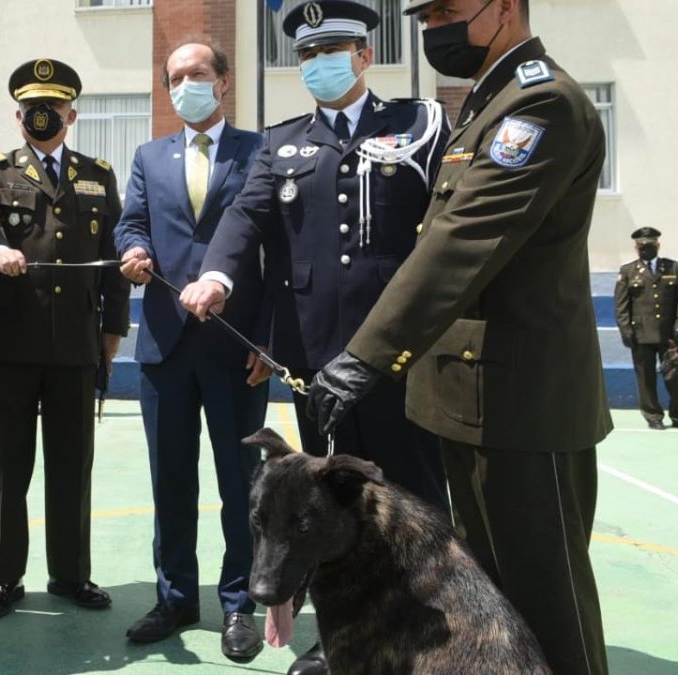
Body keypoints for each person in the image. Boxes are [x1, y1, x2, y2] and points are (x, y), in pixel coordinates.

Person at [239, 1, 612, 672]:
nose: (429, 24)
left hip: (525, 397)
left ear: (501, 8)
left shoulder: (541, 103)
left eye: (446, 9)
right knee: (495, 605)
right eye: (426, 12)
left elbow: (460, 241)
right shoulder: (484, 106)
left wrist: (364, 355)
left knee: (547, 601)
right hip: (473, 397)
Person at [179, 3, 451, 671]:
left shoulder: (419, 126)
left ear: (363, 54)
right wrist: (216, 275)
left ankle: (427, 632)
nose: (319, 64)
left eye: (333, 49)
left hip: (399, 361)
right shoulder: (282, 143)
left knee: (412, 502)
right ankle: (342, 640)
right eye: (307, 54)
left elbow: (447, 232)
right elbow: (245, 218)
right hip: (318, 368)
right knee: (332, 515)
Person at [113, 39, 269, 660]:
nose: (186, 86)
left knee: (241, 486)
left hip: (237, 346)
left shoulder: (259, 151)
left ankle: (240, 603)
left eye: (197, 74)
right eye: (175, 78)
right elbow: (133, 220)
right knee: (171, 480)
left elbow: (275, 249)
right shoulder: (150, 155)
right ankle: (176, 596)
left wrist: (271, 340)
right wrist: (133, 250)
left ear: (223, 82)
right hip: (165, 345)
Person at [0, 58, 130, 620]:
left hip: (76, 342)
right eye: (34, 108)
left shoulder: (97, 174)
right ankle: (4, 578)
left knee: (71, 462)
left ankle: (70, 574)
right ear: (19, 116)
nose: (43, 116)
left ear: (71, 114)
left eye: (53, 108)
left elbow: (113, 255)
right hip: (10, 337)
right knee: (7, 465)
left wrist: (112, 329)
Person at [614, 227, 678, 430]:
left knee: (676, 377)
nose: (646, 250)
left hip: (670, 335)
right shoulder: (628, 272)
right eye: (642, 247)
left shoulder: (673, 268)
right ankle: (653, 416)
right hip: (640, 334)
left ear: (658, 246)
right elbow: (621, 305)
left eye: (649, 246)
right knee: (645, 378)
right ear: (636, 249)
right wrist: (625, 331)